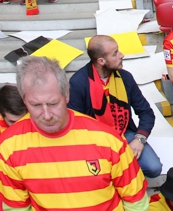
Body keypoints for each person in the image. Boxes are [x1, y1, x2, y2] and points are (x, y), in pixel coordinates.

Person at [0, 56, 148, 211]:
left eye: (53, 103)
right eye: (35, 105)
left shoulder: (107, 138)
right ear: (23, 99)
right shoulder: (8, 146)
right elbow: (16, 207)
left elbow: (135, 200)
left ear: (67, 94)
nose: (46, 115)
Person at [68, 35, 162, 179]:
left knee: (154, 168)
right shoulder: (78, 83)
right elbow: (75, 126)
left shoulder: (125, 77)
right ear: (101, 61)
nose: (121, 55)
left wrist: (139, 139)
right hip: (95, 139)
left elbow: (146, 113)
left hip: (124, 133)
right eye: (115, 53)